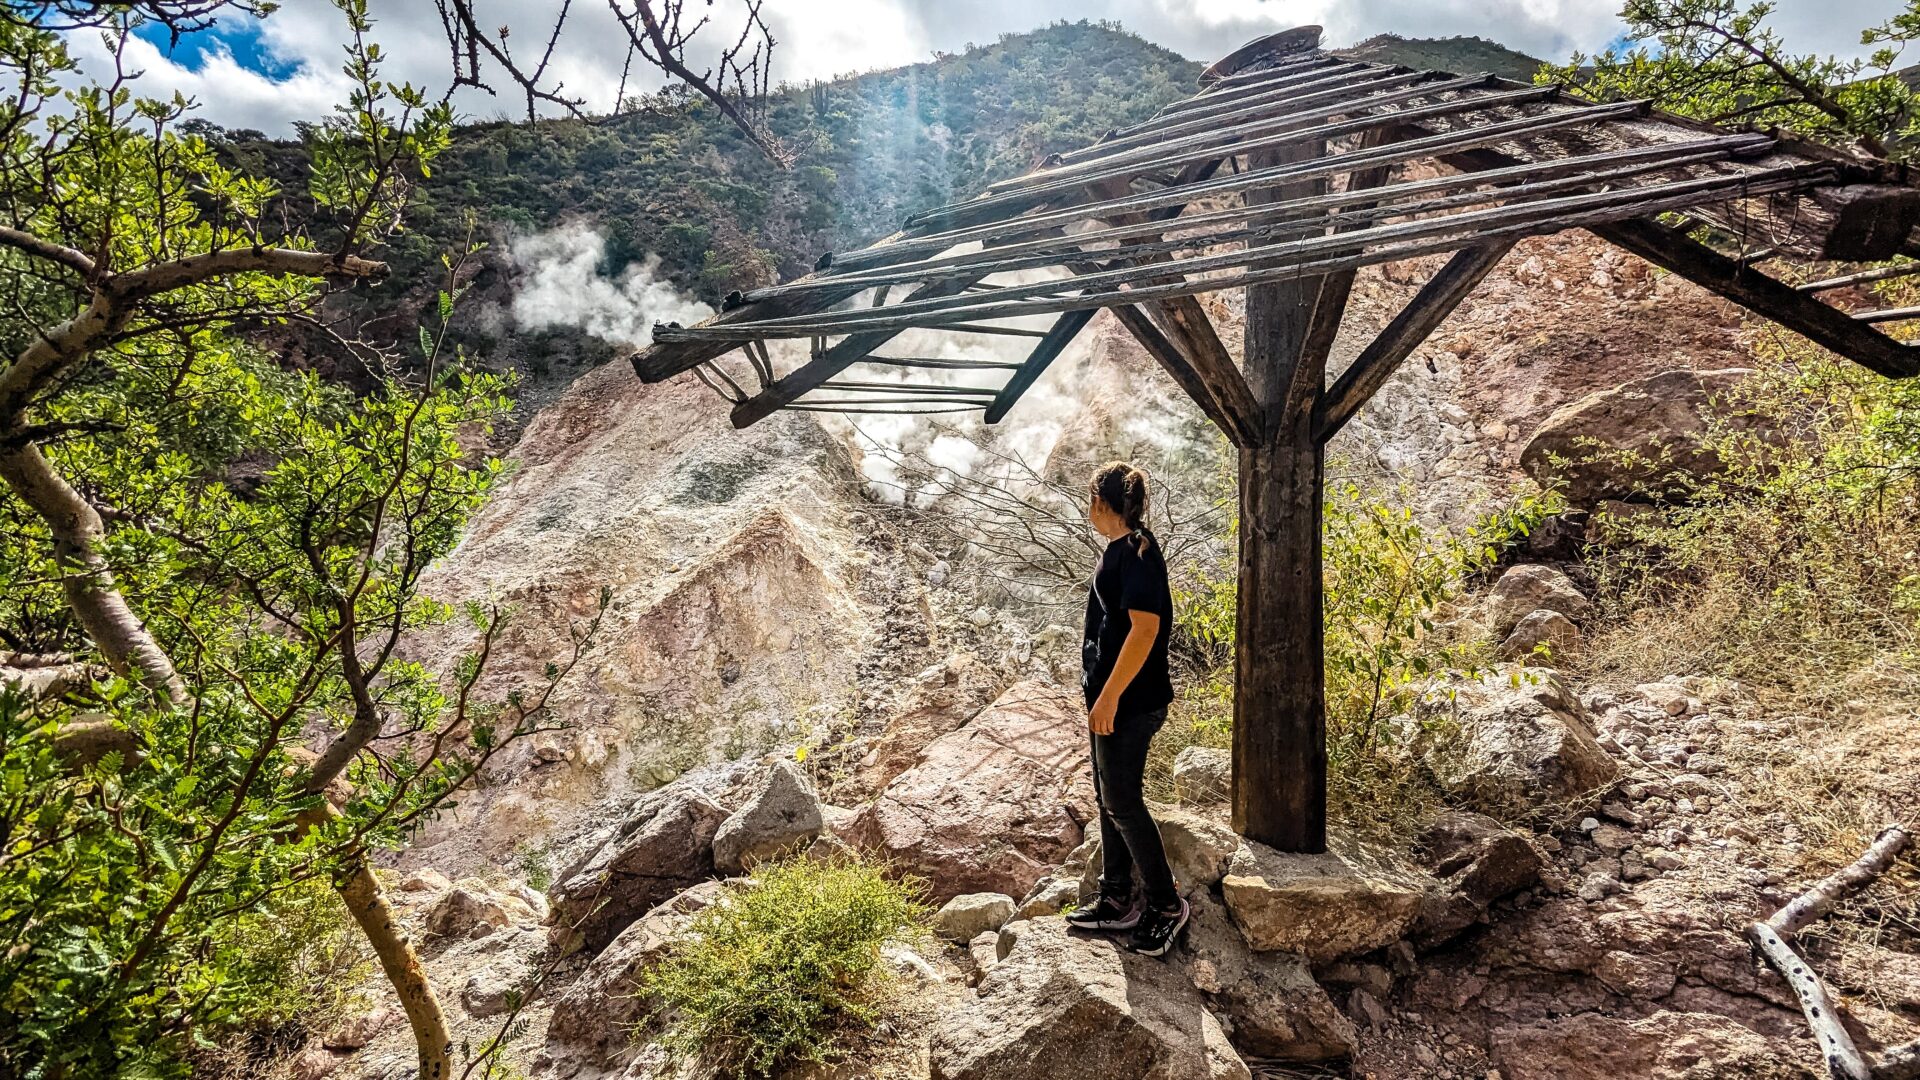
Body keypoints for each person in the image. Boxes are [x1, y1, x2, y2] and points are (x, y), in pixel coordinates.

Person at [1063, 460, 1188, 957]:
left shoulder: (1138, 552)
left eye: (1090, 500)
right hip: (1111, 699)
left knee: (1123, 801)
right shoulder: (1121, 549)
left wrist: (1111, 695)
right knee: (1107, 797)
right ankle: (1116, 898)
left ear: (1100, 502)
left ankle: (1165, 904)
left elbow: (1146, 628)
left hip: (1130, 702)